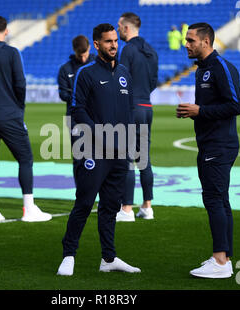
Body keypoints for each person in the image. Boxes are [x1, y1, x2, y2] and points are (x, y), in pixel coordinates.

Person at [57, 23, 140, 276]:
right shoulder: (86, 73)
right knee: (83, 203)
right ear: (96, 45)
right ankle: (68, 255)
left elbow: (129, 111)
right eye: (108, 42)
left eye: (115, 41)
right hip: (93, 152)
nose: (114, 45)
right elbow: (77, 109)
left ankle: (108, 258)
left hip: (119, 153)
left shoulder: (125, 71)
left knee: (110, 207)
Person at [0, 16, 51, 223]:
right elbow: (20, 85)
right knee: (25, 159)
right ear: (6, 31)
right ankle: (29, 209)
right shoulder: (12, 53)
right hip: (9, 115)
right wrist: (18, 108)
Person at [176, 23, 240, 278]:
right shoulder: (202, 70)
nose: (186, 44)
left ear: (205, 41)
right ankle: (223, 257)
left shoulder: (221, 67)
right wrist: (194, 112)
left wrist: (200, 111)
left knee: (214, 199)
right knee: (220, 199)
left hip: (219, 145)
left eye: (191, 40)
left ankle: (220, 262)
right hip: (209, 143)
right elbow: (213, 107)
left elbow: (236, 105)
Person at [116, 12, 158, 222]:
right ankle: (147, 207)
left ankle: (126, 209)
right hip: (147, 106)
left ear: (126, 28)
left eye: (119, 26)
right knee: (144, 158)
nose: (117, 30)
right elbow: (154, 81)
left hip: (131, 108)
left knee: (127, 159)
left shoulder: (127, 51)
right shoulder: (150, 51)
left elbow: (121, 81)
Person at [57, 34, 96, 183]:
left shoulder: (98, 64)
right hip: (75, 119)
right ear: (74, 51)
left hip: (97, 116)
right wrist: (78, 96)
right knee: (79, 156)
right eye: (80, 55)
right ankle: (81, 192)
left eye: (85, 55)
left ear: (90, 49)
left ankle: (100, 193)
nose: (83, 59)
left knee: (101, 155)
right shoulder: (65, 69)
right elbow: (62, 93)